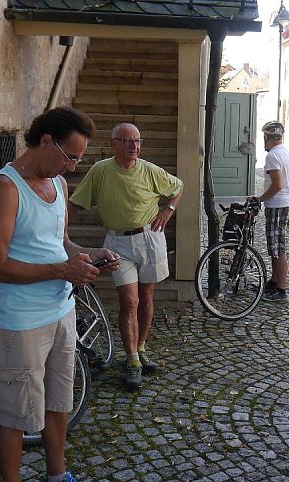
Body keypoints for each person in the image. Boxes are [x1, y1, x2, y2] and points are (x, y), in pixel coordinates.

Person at [0, 107, 120, 482]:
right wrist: (63, 270)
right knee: (15, 414)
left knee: (58, 403)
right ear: (46, 142)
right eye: (70, 156)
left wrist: (88, 256)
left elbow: (58, 244)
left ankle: (58, 475)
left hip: (61, 312)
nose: (73, 166)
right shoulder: (4, 187)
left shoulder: (58, 184)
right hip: (21, 323)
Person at [69, 122, 183, 390]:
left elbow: (178, 187)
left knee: (147, 297)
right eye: (127, 141)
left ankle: (141, 347)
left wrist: (167, 209)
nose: (134, 146)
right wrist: (56, 230)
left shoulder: (150, 170)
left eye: (138, 141)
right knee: (129, 301)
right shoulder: (101, 171)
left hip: (150, 238)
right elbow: (75, 203)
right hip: (118, 243)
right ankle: (131, 358)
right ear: (114, 144)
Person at [251, 120, 289, 303]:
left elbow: (278, 184)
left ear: (267, 137)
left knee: (277, 248)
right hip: (286, 204)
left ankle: (281, 289)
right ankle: (274, 282)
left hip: (277, 206)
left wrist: (261, 198)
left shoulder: (272, 156)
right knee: (274, 246)